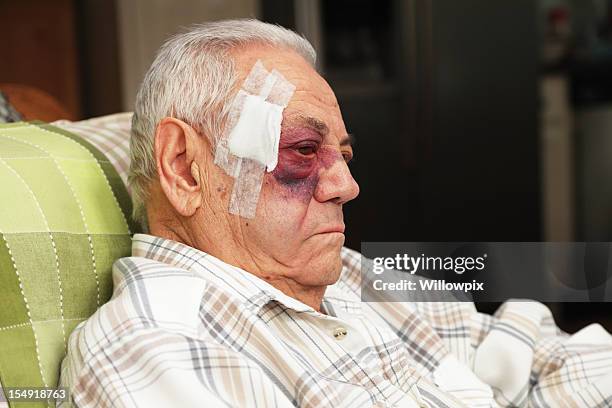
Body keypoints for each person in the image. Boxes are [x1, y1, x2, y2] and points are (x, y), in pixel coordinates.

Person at [60, 19, 612, 407]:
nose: (348, 185)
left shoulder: (346, 272)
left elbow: (541, 353)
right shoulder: (152, 349)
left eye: (344, 156)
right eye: (303, 150)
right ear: (183, 168)